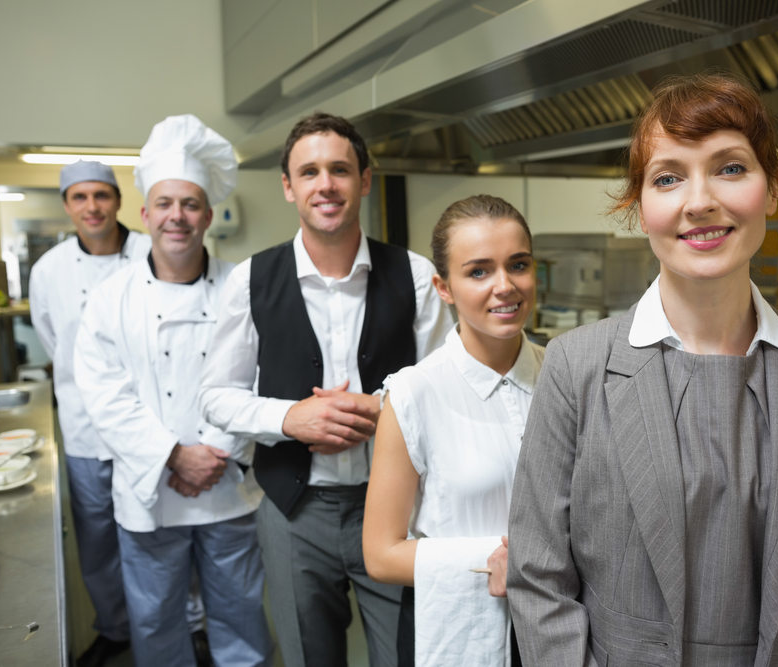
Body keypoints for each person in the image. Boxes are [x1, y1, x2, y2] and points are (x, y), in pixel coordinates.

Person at [507, 72, 778, 666]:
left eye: (731, 168)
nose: (699, 201)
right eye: (668, 178)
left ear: (770, 190)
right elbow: (538, 579)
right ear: (640, 208)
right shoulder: (576, 366)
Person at [198, 112, 453, 667]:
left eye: (339, 169)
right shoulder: (250, 280)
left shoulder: (412, 275)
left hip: (397, 510)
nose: (326, 184)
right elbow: (215, 395)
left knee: (408, 655)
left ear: (365, 179)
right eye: (309, 172)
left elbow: (445, 390)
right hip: (294, 513)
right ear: (289, 187)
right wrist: (293, 418)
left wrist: (382, 408)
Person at [74, 114, 273, 667]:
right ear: (145, 214)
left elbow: (259, 376)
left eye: (189, 204)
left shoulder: (244, 286)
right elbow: (105, 395)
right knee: (156, 626)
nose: (176, 217)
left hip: (228, 486)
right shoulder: (109, 299)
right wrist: (173, 456)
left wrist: (212, 455)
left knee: (241, 619)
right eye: (164, 204)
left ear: (208, 214)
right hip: (148, 490)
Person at [362, 195, 543, 667]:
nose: (505, 286)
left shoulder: (565, 375)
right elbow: (380, 555)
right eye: (479, 271)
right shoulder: (412, 394)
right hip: (458, 632)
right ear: (444, 288)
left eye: (518, 264)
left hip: (558, 626)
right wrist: (500, 557)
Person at [29, 159, 151, 667]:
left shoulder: (152, 252)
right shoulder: (48, 271)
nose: (92, 207)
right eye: (80, 198)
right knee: (98, 544)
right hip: (84, 432)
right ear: (67, 206)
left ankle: (182, 629)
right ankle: (116, 628)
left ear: (118, 200)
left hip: (149, 427)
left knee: (158, 535)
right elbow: (54, 342)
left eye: (101, 195)